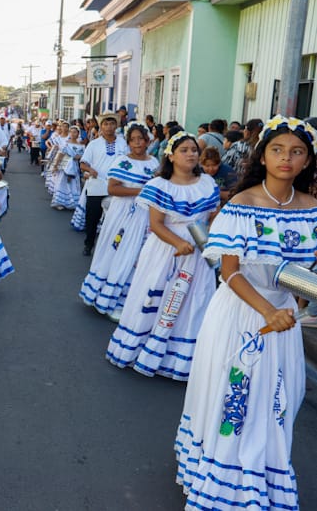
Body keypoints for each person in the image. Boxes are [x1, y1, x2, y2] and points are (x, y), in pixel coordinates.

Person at [175, 116, 317, 510]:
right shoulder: (242, 204)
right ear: (263, 156)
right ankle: (223, 482)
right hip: (240, 313)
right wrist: (269, 311)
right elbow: (229, 272)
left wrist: (298, 302)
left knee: (279, 400)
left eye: (296, 151)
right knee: (234, 396)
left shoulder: (313, 209)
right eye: (277, 149)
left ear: (307, 161)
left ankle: (262, 480)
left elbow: (309, 272)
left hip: (283, 317)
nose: (286, 158)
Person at [106, 132, 219, 380]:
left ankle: (180, 359)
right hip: (165, 251)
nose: (191, 154)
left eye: (193, 150)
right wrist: (179, 242)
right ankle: (145, 350)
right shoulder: (158, 185)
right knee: (155, 297)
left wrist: (207, 238)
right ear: (170, 155)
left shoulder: (207, 183)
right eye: (184, 150)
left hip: (198, 251)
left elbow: (213, 215)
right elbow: (156, 224)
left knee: (193, 301)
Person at [79, 121, 158, 321]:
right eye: (134, 140)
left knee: (137, 258)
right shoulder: (123, 161)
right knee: (120, 252)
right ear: (129, 143)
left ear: (148, 141)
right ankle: (107, 299)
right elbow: (113, 189)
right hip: (124, 214)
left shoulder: (154, 163)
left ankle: (127, 301)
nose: (138, 143)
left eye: (141, 139)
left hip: (146, 216)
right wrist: (142, 191)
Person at [76, 113, 129, 255]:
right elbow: (83, 163)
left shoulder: (123, 143)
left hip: (117, 187)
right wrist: (90, 169)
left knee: (115, 219)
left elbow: (129, 162)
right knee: (92, 218)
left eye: (112, 124)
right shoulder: (94, 144)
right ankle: (89, 244)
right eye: (105, 124)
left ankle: (111, 247)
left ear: (116, 126)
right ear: (101, 126)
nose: (109, 127)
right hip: (97, 187)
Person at [51, 125, 83, 210]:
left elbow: (84, 157)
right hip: (64, 165)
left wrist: (79, 157)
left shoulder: (81, 146)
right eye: (71, 132)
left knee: (73, 184)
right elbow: (60, 155)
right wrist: (55, 166)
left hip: (74, 167)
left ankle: (72, 202)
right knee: (62, 183)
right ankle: (60, 202)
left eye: (74, 132)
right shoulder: (66, 144)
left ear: (78, 134)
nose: (72, 134)